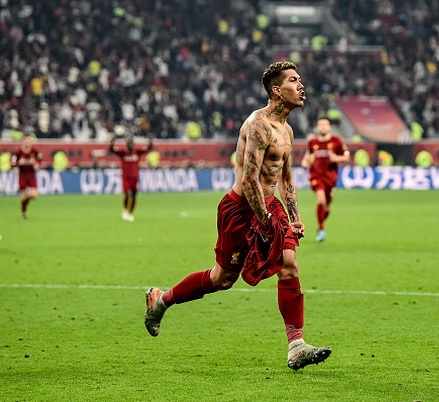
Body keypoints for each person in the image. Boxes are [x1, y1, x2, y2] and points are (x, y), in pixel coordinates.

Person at [143, 61, 332, 370]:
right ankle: (161, 300)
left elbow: (285, 177)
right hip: (241, 209)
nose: (301, 86)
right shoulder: (258, 125)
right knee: (222, 279)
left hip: (270, 206)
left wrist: (293, 217)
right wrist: (265, 220)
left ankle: (296, 345)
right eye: (293, 80)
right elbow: (249, 179)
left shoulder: (287, 130)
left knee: (289, 263)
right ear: (276, 90)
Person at [301, 117, 350, 241]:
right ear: (317, 127)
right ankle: (322, 230)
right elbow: (309, 154)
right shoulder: (312, 142)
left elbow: (347, 157)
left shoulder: (336, 141)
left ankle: (320, 225)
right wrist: (305, 161)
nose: (323, 127)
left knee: (326, 208)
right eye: (320, 125)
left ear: (329, 127)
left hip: (330, 178)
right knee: (321, 200)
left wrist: (337, 159)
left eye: (325, 124)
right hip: (316, 176)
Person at [108, 134, 153, 222]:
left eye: (132, 144)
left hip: (135, 178)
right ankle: (125, 210)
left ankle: (130, 213)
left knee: (134, 195)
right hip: (126, 178)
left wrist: (150, 141)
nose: (131, 145)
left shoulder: (137, 153)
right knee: (127, 193)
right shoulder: (123, 154)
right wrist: (112, 141)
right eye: (129, 144)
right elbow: (111, 150)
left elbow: (148, 149)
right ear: (127, 145)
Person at [11, 135, 43, 219]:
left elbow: (40, 158)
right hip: (22, 176)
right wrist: (18, 163)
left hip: (31, 175)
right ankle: (24, 213)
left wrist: (38, 164)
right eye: (26, 141)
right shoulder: (18, 153)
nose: (28, 143)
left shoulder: (34, 152)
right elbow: (12, 164)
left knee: (34, 195)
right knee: (25, 195)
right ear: (23, 142)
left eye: (29, 141)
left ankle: (24, 202)